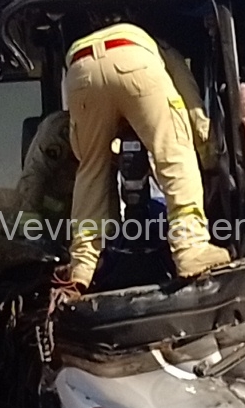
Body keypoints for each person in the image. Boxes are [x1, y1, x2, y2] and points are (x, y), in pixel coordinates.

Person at [59, 15, 231, 293]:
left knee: (91, 169)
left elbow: (82, 153)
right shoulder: (157, 46)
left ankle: (82, 265)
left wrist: (107, 145)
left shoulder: (86, 42)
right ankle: (190, 248)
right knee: (174, 154)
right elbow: (190, 99)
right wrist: (206, 150)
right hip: (133, 62)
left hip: (79, 67)